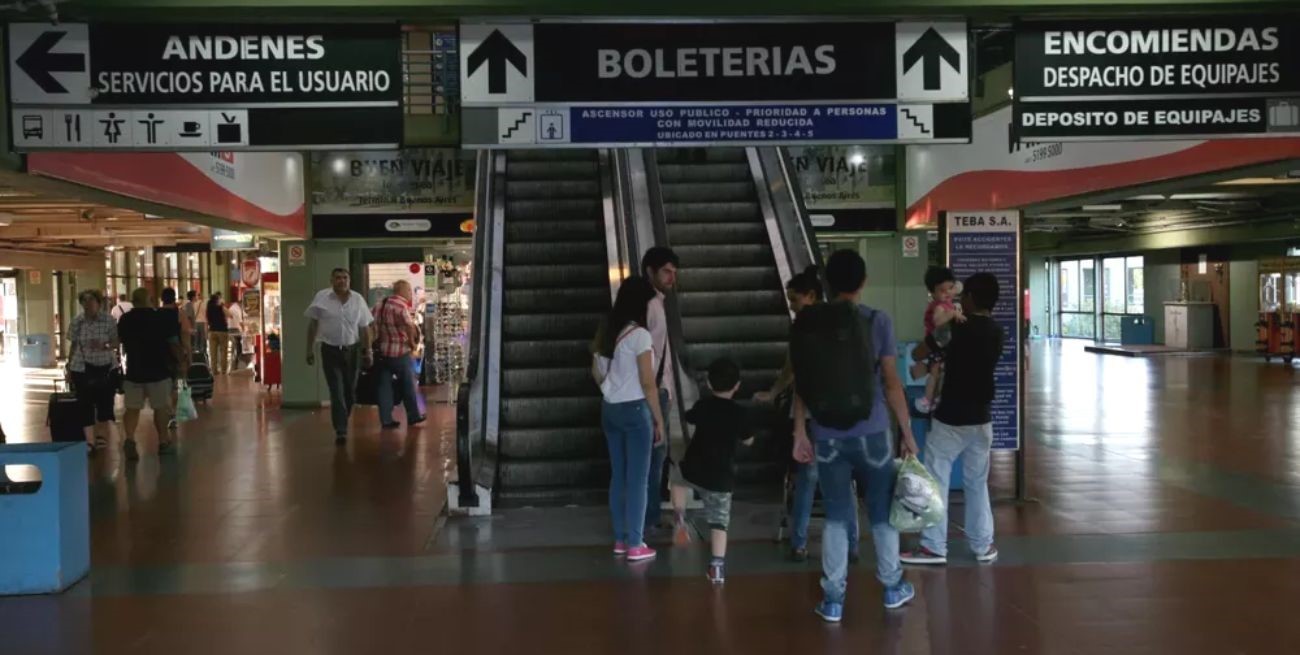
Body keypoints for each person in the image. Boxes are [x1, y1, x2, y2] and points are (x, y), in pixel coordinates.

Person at [791, 250, 919, 622]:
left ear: (827, 284)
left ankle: (833, 599)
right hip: (873, 431)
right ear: (863, 282)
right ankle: (892, 587)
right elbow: (892, 383)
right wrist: (907, 432)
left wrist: (799, 431)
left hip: (827, 434)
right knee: (881, 511)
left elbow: (802, 382)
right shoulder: (877, 320)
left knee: (835, 515)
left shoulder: (809, 323)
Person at [755, 266, 863, 562]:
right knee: (843, 478)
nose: (791, 305)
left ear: (811, 296)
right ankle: (852, 543)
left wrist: (784, 406)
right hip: (843, 412)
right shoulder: (843, 321)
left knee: (807, 477)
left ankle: (799, 542)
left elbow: (796, 373)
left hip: (814, 414)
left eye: (794, 299)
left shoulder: (803, 328)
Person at [902, 273, 1005, 567]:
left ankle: (934, 547)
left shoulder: (955, 329)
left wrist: (940, 332)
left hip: (951, 418)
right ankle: (983, 545)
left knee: (937, 480)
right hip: (982, 418)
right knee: (977, 483)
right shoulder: (997, 331)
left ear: (970, 297)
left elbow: (920, 352)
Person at [592, 276, 666, 563]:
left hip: (610, 409)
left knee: (619, 476)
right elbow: (648, 383)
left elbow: (595, 370)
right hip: (635, 411)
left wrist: (609, 388)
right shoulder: (640, 336)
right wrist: (658, 419)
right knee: (638, 480)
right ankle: (636, 544)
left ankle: (621, 540)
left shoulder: (608, 330)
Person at [668, 357, 753, 584]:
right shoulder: (739, 413)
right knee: (719, 523)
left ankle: (680, 517)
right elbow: (749, 440)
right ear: (737, 385)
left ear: (708, 383)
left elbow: (690, 417)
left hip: (694, 467)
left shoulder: (703, 405)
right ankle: (716, 567)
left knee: (676, 477)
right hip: (720, 476)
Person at [306, 268, 374, 444]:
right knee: (336, 390)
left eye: (345, 278)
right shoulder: (322, 298)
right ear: (331, 280)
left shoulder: (357, 299)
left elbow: (365, 328)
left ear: (349, 280)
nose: (342, 281)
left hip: (352, 350)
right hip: (330, 350)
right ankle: (341, 430)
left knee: (349, 392)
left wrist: (368, 351)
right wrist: (309, 349)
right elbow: (313, 325)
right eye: (338, 278)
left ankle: (342, 417)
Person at [117, 288, 182, 460]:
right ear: (149, 300)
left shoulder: (125, 319)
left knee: (132, 409)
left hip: (134, 370)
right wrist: (180, 361)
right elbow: (173, 342)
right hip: (158, 370)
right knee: (160, 408)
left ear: (133, 301)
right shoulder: (160, 318)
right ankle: (163, 442)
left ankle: (130, 440)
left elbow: (119, 341)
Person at [641, 246, 679, 535]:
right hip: (653, 391)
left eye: (674, 272)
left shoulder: (656, 304)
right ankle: (649, 517)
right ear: (650, 271)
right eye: (666, 271)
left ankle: (646, 515)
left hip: (657, 389)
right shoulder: (651, 306)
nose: (672, 278)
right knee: (655, 455)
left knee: (653, 456)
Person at [67, 289, 119, 452]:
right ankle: (89, 441)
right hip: (81, 367)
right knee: (85, 404)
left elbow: (116, 342)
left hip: (106, 367)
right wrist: (69, 367)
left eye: (91, 301)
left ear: (99, 303)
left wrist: (105, 345)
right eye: (84, 301)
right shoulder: (77, 321)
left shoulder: (108, 320)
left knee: (105, 403)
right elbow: (73, 345)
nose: (88, 304)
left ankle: (101, 436)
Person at [372, 280, 425, 430]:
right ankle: (413, 415)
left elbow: (371, 324)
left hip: (382, 353)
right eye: (409, 291)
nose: (410, 294)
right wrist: (412, 345)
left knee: (384, 387)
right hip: (400, 352)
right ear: (402, 290)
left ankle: (386, 419)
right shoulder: (401, 306)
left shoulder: (379, 305)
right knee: (408, 384)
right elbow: (409, 326)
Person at [914, 267, 965, 414]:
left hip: (942, 345)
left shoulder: (947, 302)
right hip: (937, 346)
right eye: (942, 291)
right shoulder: (939, 306)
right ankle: (928, 400)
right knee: (935, 373)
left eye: (950, 288)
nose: (948, 293)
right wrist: (952, 313)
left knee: (940, 373)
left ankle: (935, 398)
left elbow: (958, 287)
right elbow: (938, 321)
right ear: (933, 293)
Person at [159, 287, 193, 430]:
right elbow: (185, 335)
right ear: (174, 298)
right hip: (177, 354)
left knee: (163, 384)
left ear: (162, 299)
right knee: (179, 384)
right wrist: (189, 355)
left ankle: (167, 412)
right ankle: (175, 413)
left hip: (160, 354)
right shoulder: (179, 313)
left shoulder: (156, 313)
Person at [206, 292, 230, 374]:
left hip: (212, 331)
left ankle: (214, 370)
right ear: (217, 300)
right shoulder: (220, 307)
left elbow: (208, 320)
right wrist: (222, 305)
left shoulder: (208, 308)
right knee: (223, 351)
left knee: (213, 353)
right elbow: (230, 315)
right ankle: (223, 370)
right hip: (222, 331)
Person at [226, 297, 246, 370]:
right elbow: (241, 322)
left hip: (230, 329)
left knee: (235, 346)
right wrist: (244, 330)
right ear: (241, 303)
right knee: (238, 346)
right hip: (234, 329)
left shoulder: (233, 307)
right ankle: (236, 361)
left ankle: (234, 361)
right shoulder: (237, 309)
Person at [186, 290, 206, 354]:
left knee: (196, 342)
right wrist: (190, 329)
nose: (197, 297)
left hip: (194, 326)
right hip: (191, 328)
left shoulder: (193, 304)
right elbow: (188, 317)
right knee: (193, 344)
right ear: (193, 297)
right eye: (196, 295)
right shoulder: (189, 305)